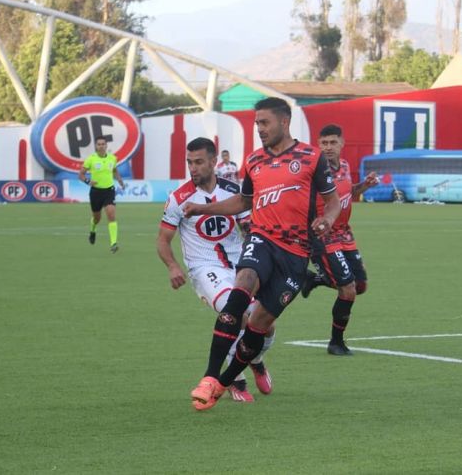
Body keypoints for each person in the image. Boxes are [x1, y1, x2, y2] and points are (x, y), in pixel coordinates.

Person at [182, 97, 340, 411]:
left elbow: (332, 200)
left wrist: (328, 219)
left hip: (295, 255)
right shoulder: (254, 161)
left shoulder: (311, 157)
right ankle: (210, 377)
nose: (259, 129)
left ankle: (224, 382)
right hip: (262, 240)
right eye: (257, 123)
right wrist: (203, 207)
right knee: (239, 293)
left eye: (264, 123)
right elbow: (243, 202)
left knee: (259, 325)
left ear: (284, 122)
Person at [157, 137, 275, 403]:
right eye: (189, 162)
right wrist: (173, 265)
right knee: (236, 315)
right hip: (205, 269)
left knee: (266, 323)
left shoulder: (233, 190)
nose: (193, 167)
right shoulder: (179, 198)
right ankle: (236, 380)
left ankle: (255, 359)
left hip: (241, 266)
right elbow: (163, 239)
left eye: (199, 162)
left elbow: (248, 223)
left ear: (213, 162)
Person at [300, 124, 379, 356]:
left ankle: (313, 280)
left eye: (333, 142)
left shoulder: (344, 166)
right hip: (323, 237)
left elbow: (346, 193)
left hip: (345, 234)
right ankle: (336, 342)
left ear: (342, 143)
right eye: (323, 143)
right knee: (348, 289)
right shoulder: (314, 173)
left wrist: (363, 186)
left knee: (360, 285)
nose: (328, 147)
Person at [77, 136, 125, 253]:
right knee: (97, 218)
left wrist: (120, 180)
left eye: (103, 144)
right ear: (96, 146)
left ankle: (113, 243)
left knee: (111, 214)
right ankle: (92, 230)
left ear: (106, 145)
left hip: (109, 190)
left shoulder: (112, 158)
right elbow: (81, 175)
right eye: (99, 144)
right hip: (96, 192)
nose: (101, 146)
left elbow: (114, 170)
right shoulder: (91, 159)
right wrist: (88, 181)